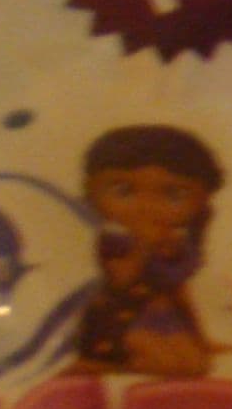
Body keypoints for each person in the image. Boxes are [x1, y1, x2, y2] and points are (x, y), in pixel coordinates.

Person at [72, 124, 224, 377]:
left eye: (173, 194)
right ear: (92, 194)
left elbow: (180, 292)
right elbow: (120, 283)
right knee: (168, 365)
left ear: (201, 202)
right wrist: (143, 247)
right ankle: (104, 365)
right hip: (121, 320)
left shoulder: (177, 247)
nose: (147, 206)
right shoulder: (112, 242)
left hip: (165, 320)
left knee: (196, 365)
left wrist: (199, 337)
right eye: (124, 191)